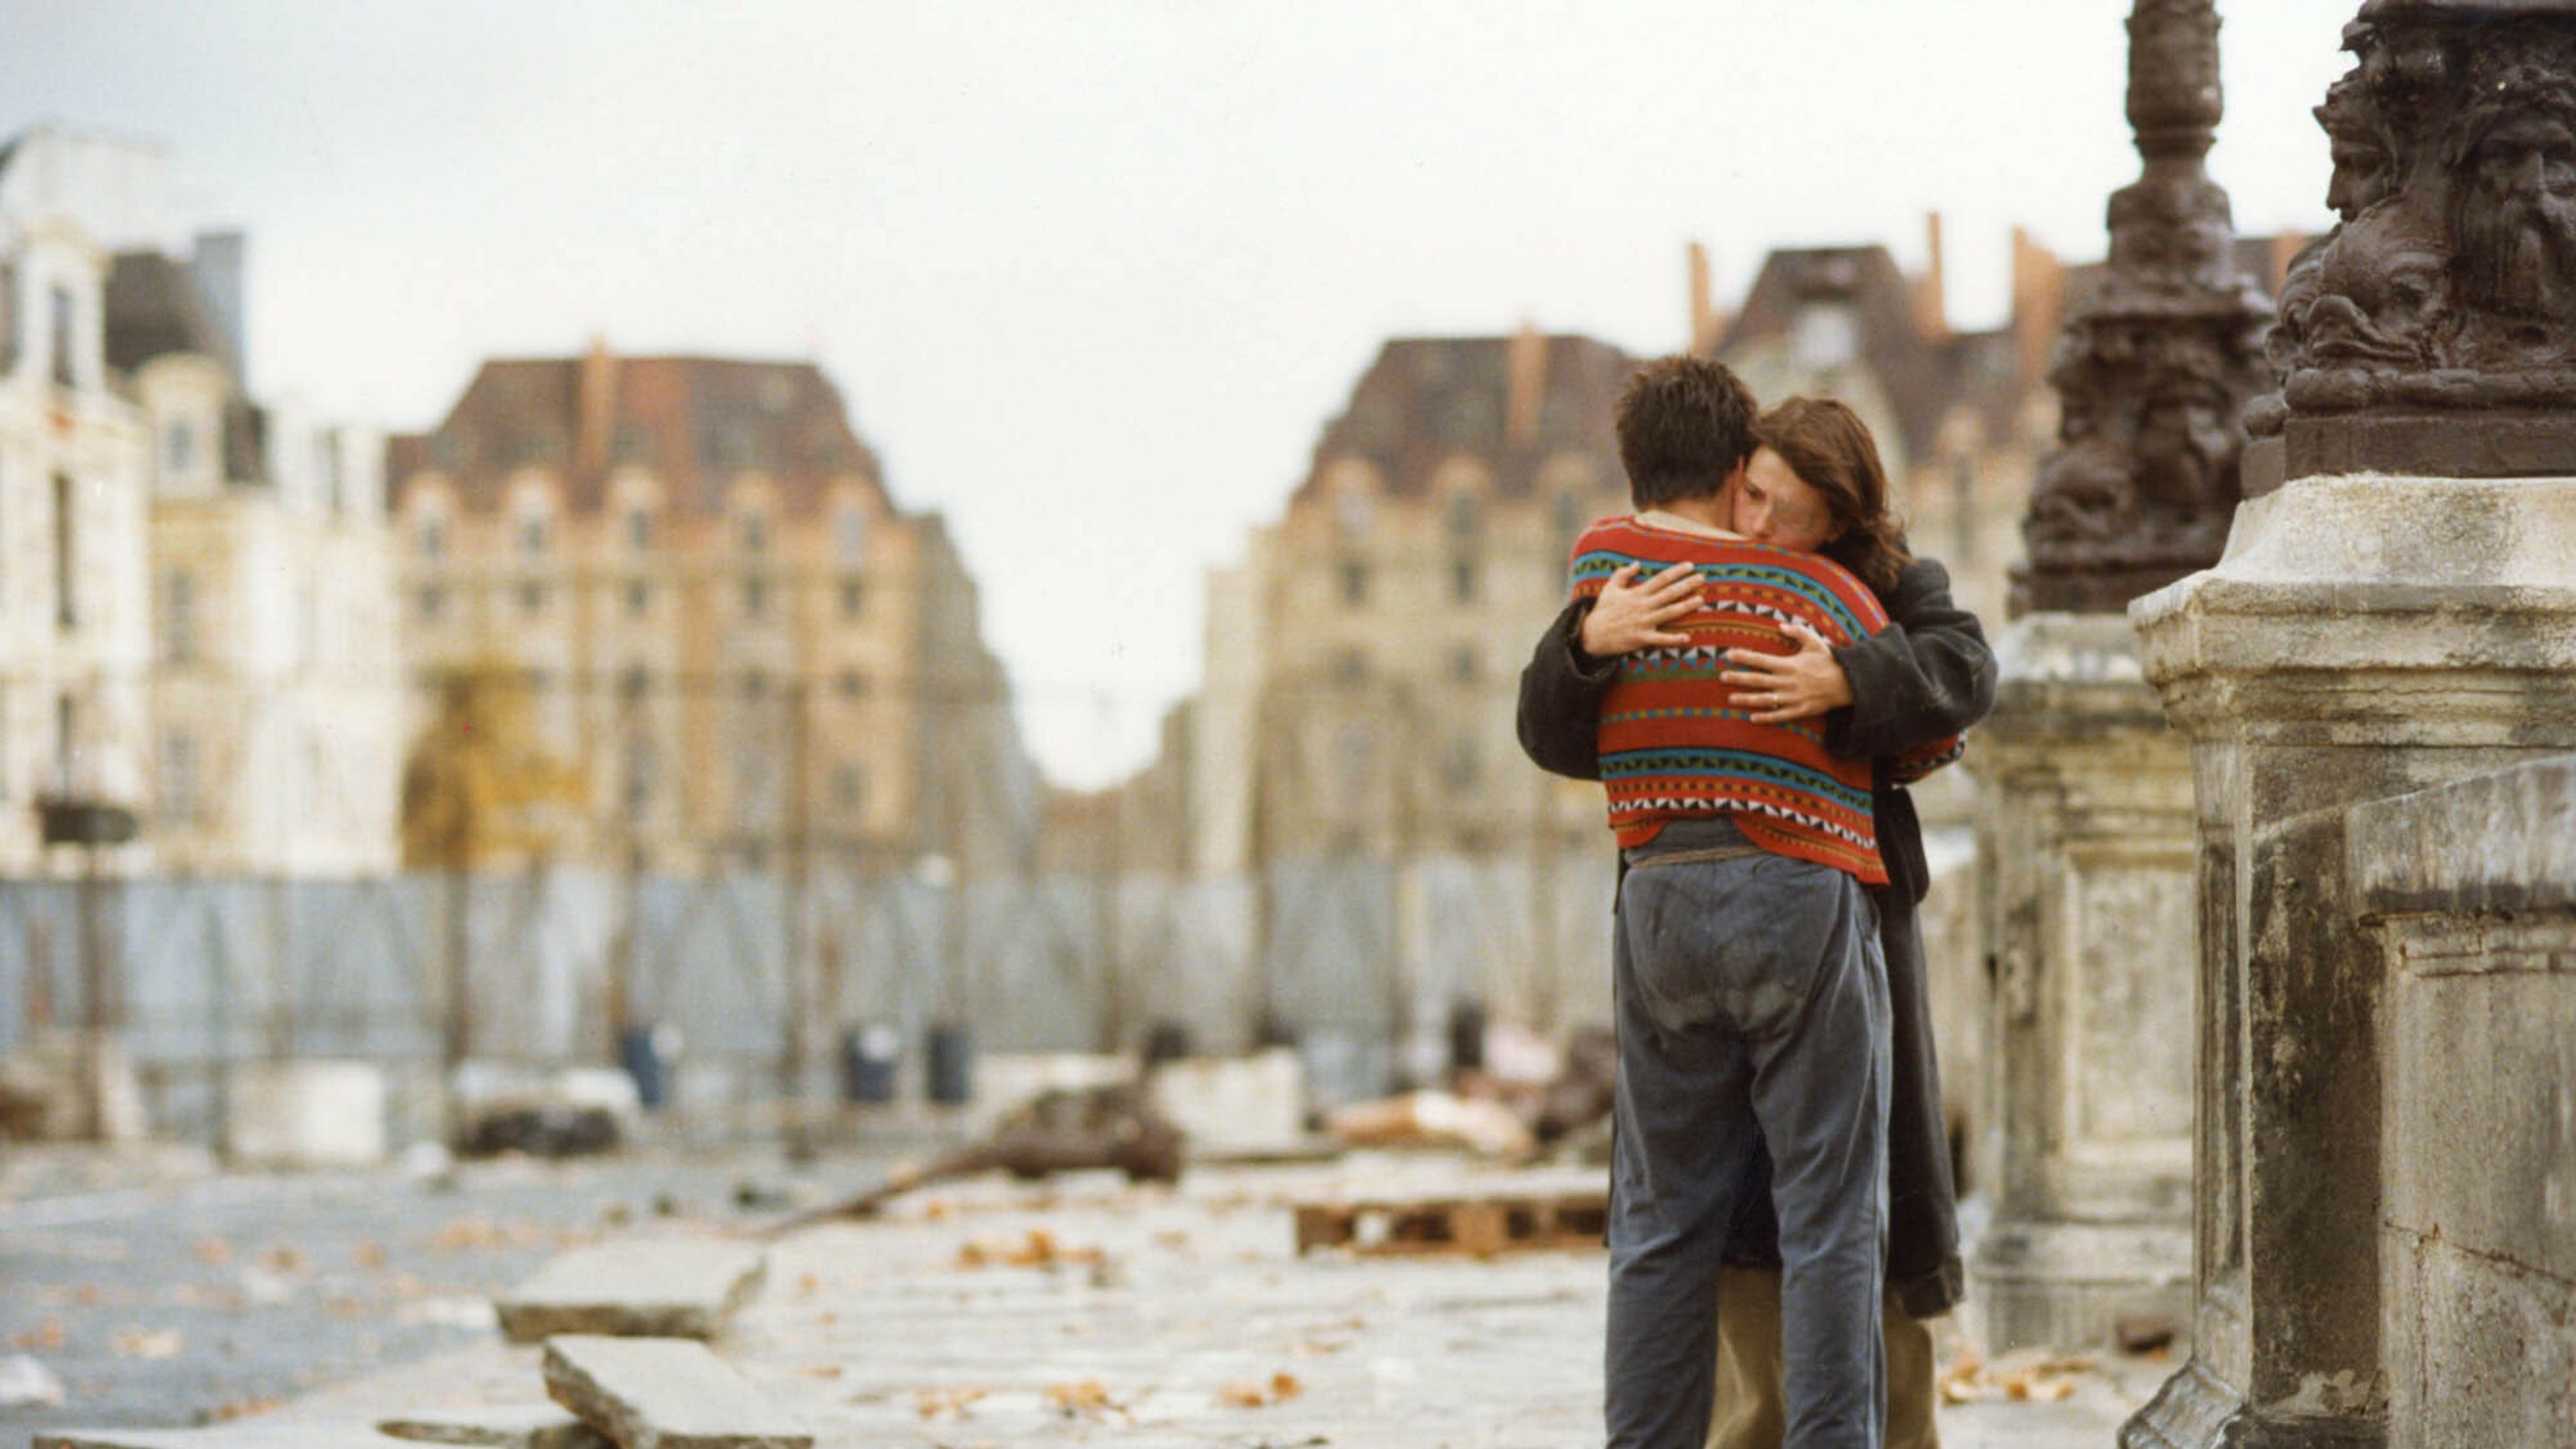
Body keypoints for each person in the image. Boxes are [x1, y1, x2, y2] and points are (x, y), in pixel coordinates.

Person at [1521, 389, 1995, 1449]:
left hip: (1823, 910)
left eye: (1788, 513)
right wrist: (1587, 645)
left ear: (1843, 522)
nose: (1760, 530)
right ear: (1737, 470)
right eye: (1754, 497)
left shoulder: (1884, 587)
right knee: (1799, 1220)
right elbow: (1548, 724)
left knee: (1738, 1221)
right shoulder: (1638, 584)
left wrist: (1848, 677)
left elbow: (1965, 674)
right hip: (1794, 906)